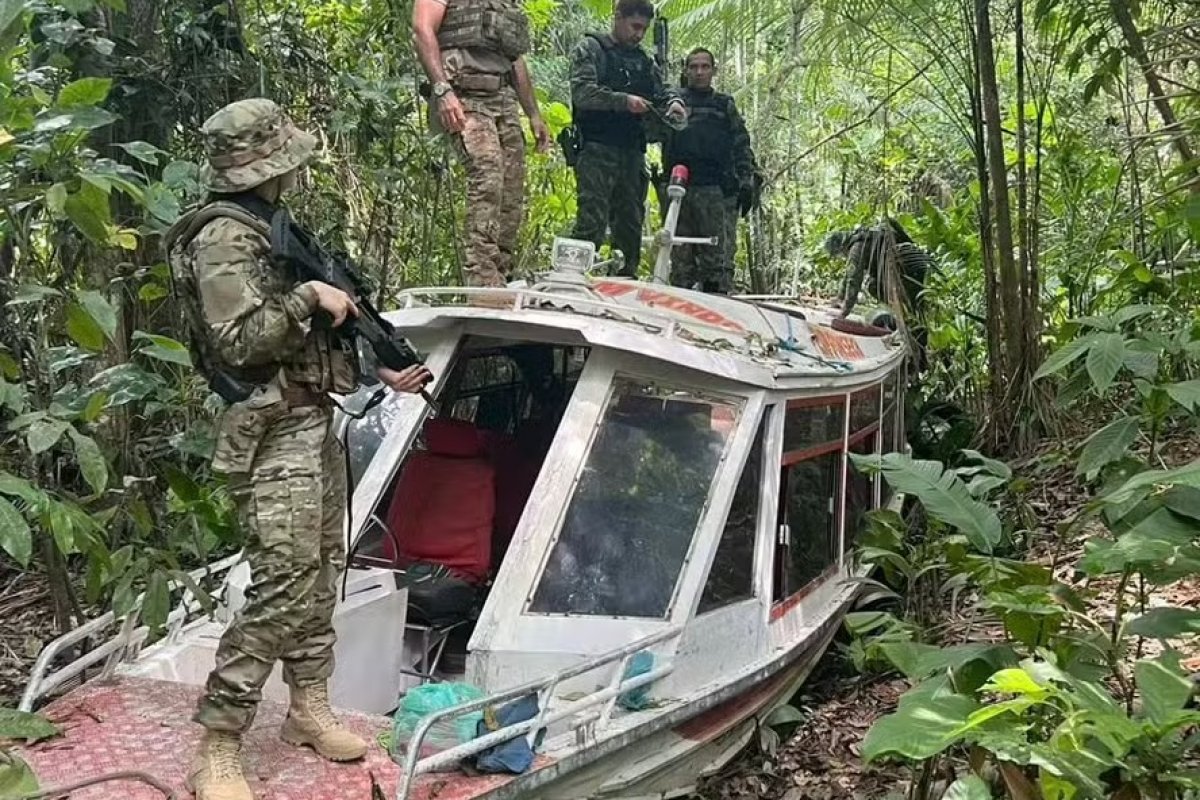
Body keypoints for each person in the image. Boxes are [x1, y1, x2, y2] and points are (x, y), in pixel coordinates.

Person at [164, 98, 432, 800]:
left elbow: (304, 344)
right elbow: (239, 343)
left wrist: (373, 363)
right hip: (270, 431)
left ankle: (308, 707)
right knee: (283, 579)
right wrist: (309, 297)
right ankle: (219, 743)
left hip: (313, 421)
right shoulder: (224, 236)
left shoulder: (269, 226)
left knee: (321, 571)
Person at [413, 0, 550, 288]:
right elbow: (422, 29)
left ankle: (500, 275)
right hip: (464, 96)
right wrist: (442, 90)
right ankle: (482, 279)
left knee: (512, 190)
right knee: (487, 177)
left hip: (502, 97)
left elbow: (515, 59)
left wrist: (534, 114)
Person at [568, 0, 686, 277]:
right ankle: (571, 278)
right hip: (597, 149)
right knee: (591, 221)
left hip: (632, 152)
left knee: (630, 224)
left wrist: (674, 102)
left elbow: (662, 90)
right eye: (634, 26)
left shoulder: (643, 61)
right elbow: (583, 93)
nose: (638, 34)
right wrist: (624, 101)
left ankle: (625, 280)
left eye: (644, 29)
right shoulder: (592, 49)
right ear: (618, 18)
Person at [664, 47, 753, 293]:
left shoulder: (724, 105)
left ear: (714, 70)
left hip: (715, 191)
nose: (699, 72)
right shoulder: (673, 102)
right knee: (681, 264)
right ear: (685, 70)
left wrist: (746, 181)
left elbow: (741, 143)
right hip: (679, 191)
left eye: (705, 67)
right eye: (693, 67)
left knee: (717, 263)